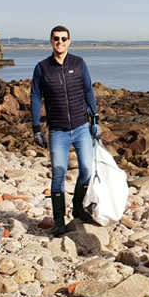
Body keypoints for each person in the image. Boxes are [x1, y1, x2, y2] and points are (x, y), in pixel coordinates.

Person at [30, 25, 99, 235]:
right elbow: (35, 97)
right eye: (56, 39)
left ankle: (78, 206)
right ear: (51, 41)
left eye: (64, 39)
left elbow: (88, 89)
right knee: (58, 173)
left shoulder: (78, 64)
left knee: (87, 169)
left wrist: (95, 118)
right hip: (57, 130)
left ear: (69, 41)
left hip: (81, 127)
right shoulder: (42, 68)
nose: (60, 42)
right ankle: (59, 221)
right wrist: (36, 127)